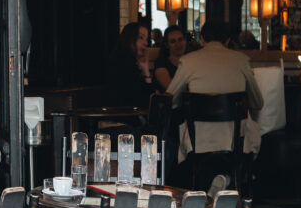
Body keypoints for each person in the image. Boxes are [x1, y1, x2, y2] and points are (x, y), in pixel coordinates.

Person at [166, 20, 264, 170]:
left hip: (198, 142)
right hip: (237, 142)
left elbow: (169, 100)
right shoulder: (242, 61)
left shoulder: (188, 61)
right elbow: (258, 103)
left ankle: (212, 181)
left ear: (202, 39)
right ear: (228, 41)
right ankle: (229, 179)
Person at [105, 21, 157, 108]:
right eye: (141, 37)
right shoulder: (121, 63)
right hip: (122, 118)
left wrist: (145, 69)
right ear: (129, 38)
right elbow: (146, 102)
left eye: (146, 39)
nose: (146, 43)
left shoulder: (132, 62)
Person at [154, 25, 188, 92]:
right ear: (167, 45)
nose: (178, 44)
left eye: (180, 40)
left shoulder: (191, 60)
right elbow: (171, 89)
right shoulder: (161, 63)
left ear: (185, 41)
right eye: (173, 41)